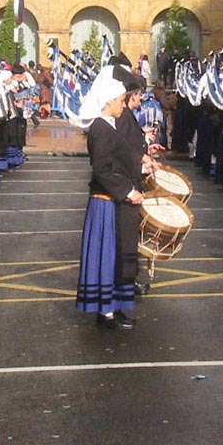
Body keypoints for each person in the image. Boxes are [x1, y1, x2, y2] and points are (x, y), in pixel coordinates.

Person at [75, 75, 145, 327]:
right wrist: (127, 192)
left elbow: (118, 160)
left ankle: (113, 307)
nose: (124, 105)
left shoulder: (108, 125)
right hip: (106, 202)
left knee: (116, 256)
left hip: (112, 200)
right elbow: (102, 170)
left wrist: (141, 166)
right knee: (107, 257)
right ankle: (106, 313)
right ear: (108, 101)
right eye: (120, 101)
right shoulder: (101, 128)